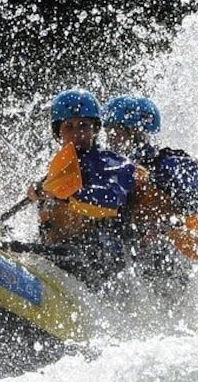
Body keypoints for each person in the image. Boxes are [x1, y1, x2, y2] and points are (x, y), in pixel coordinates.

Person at [103, 94, 198, 291]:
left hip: (169, 256)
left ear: (137, 132)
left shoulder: (171, 165)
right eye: (109, 132)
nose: (111, 139)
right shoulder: (111, 168)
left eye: (116, 132)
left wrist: (170, 225)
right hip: (129, 254)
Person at [20, 88, 137, 292]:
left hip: (100, 265)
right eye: (69, 127)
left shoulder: (115, 164)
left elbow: (111, 201)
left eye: (84, 125)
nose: (77, 134)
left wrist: (65, 193)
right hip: (60, 256)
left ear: (95, 129)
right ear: (58, 133)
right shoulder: (56, 172)